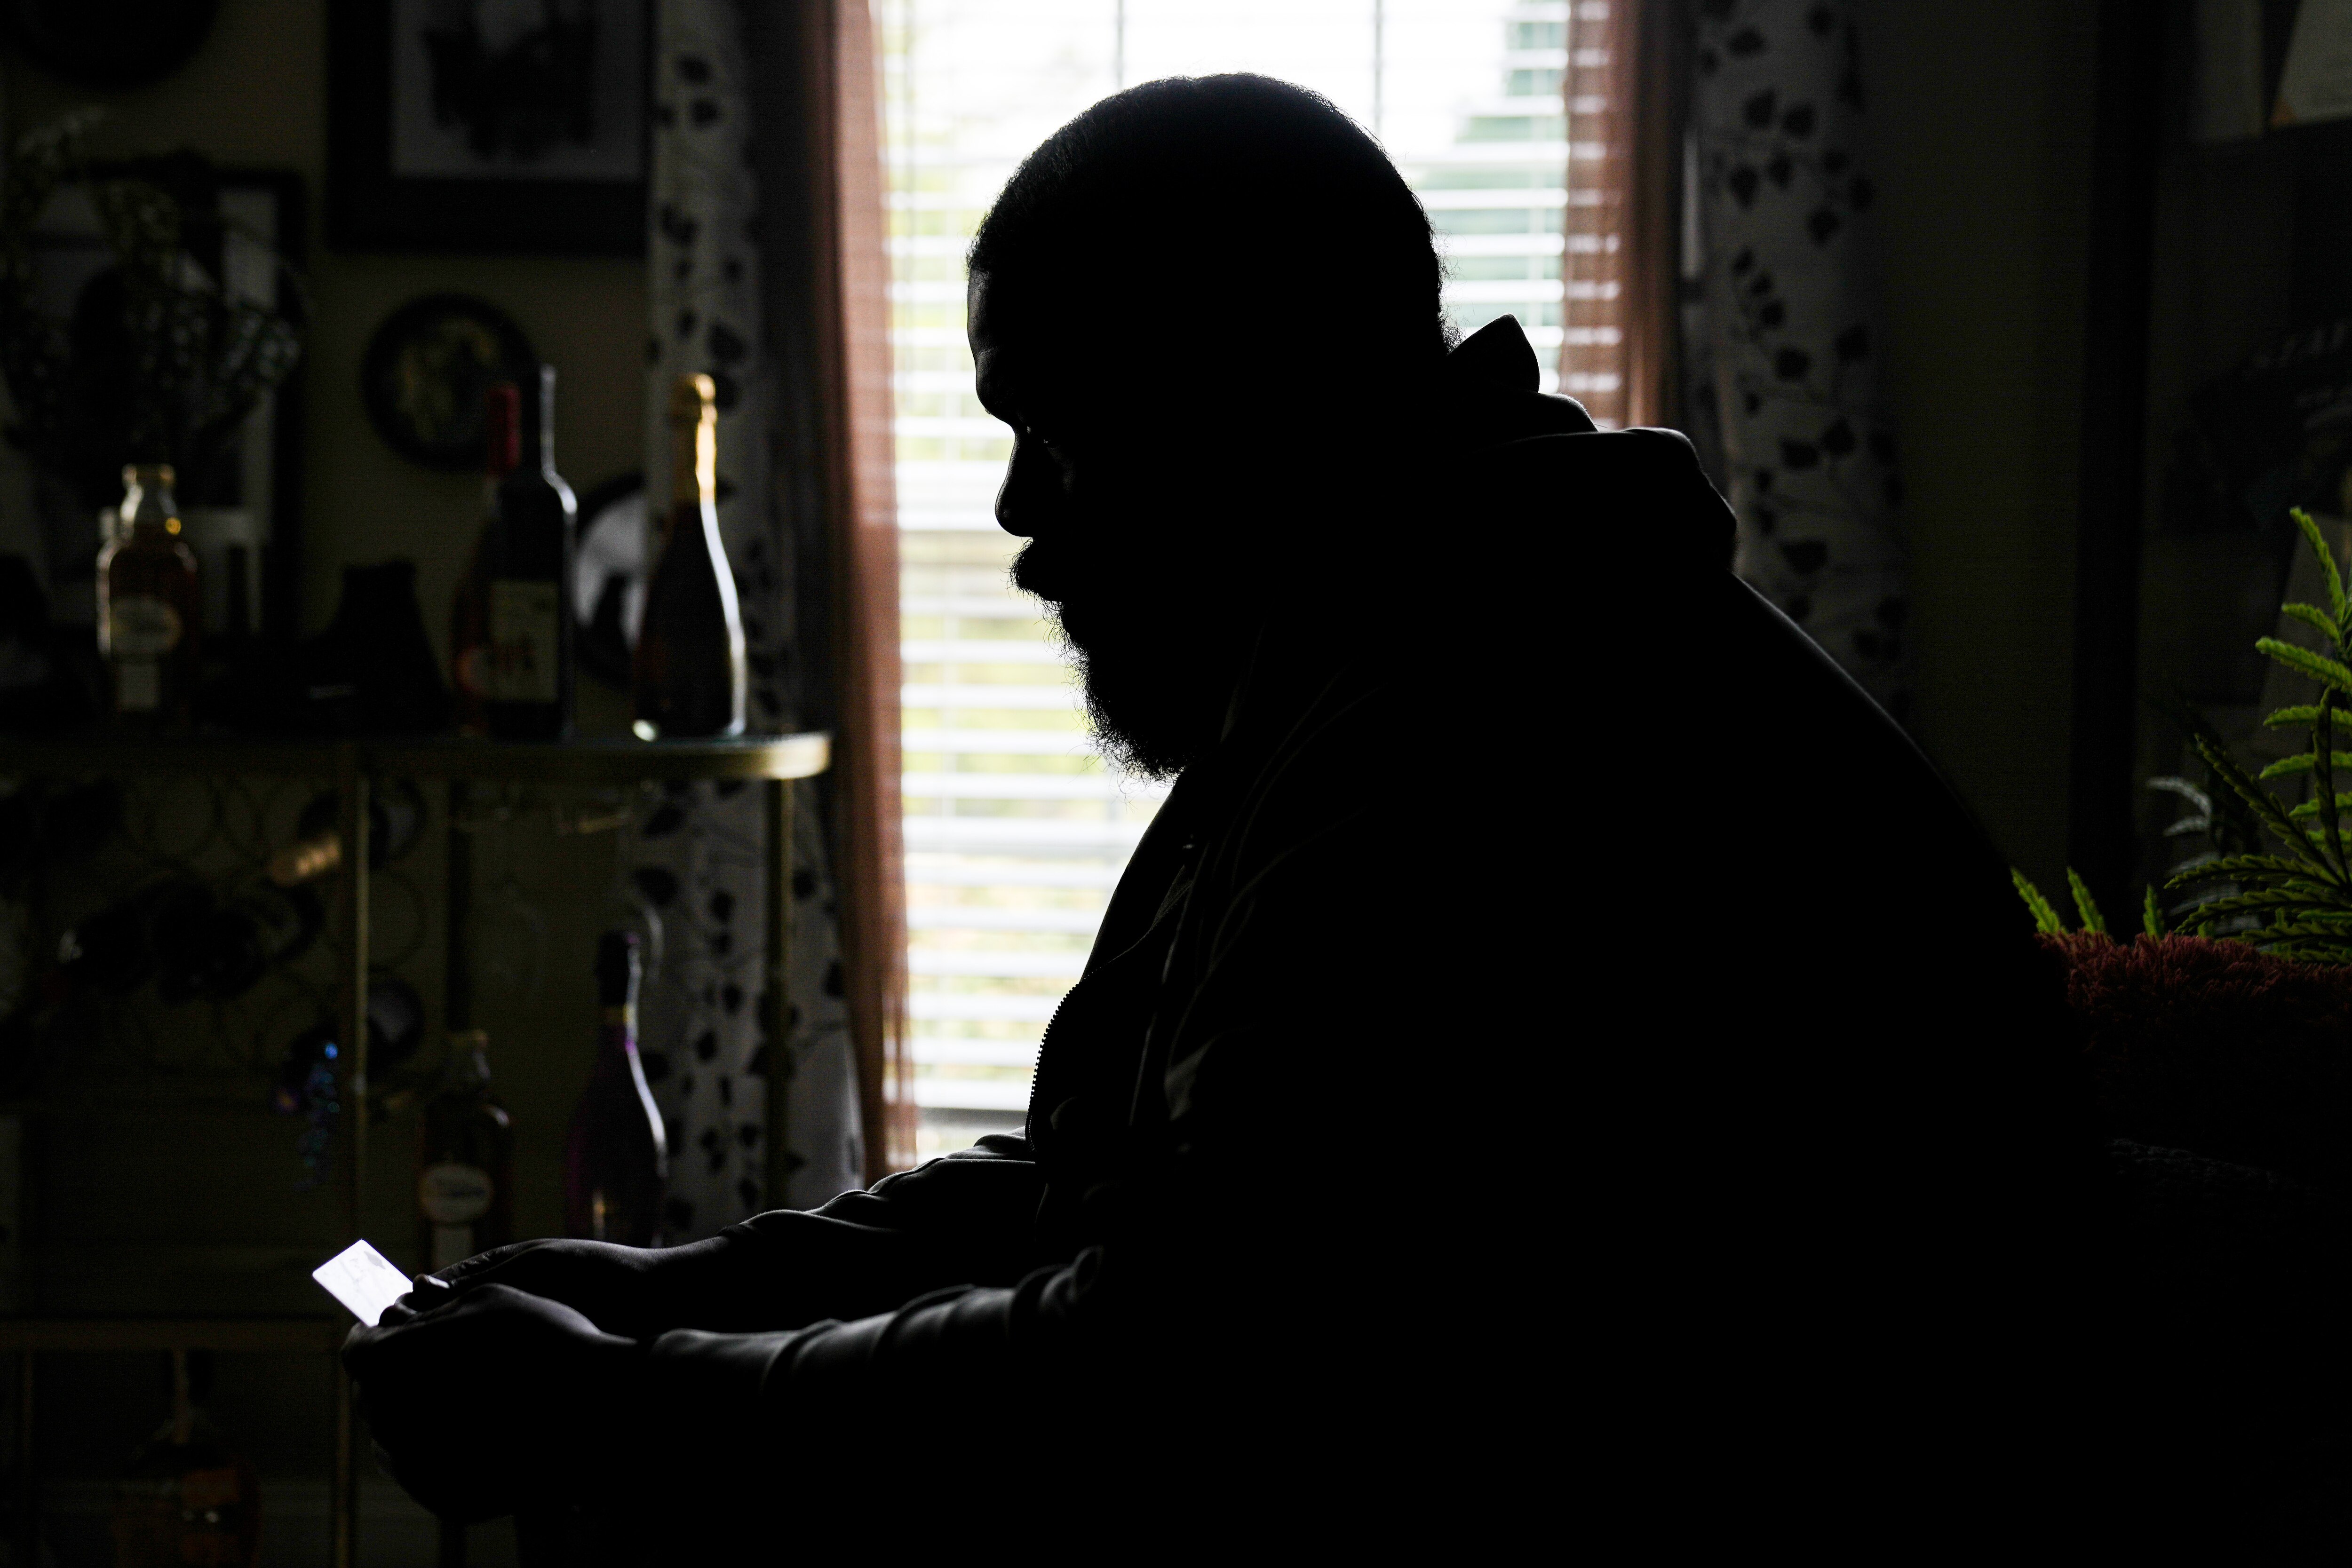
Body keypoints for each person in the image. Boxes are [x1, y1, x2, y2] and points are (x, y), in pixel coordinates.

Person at [346, 74, 2100, 1552]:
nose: (1022, 512)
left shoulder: (1494, 709)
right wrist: (674, 1291)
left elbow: (1184, 1373)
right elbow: (1127, 1174)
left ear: (1241, 389)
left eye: (1059, 425)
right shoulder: (1396, 627)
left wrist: (613, 1405)